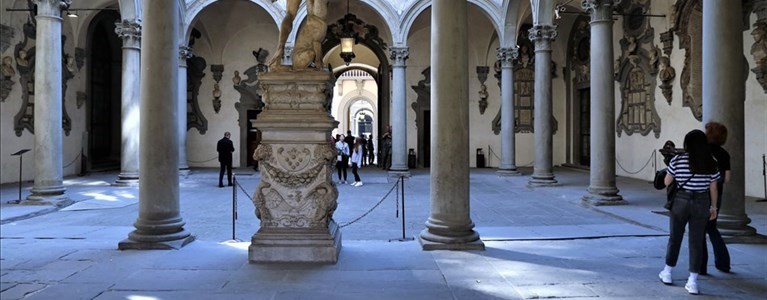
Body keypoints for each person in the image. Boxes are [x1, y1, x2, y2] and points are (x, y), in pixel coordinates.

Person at [659, 129, 720, 295]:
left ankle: (668, 272)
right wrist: (713, 207)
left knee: (675, 237)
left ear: (687, 143)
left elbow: (667, 181)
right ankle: (692, 281)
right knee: (697, 241)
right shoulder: (711, 161)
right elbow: (713, 187)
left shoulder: (678, 159)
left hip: (681, 201)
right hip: (702, 202)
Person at [701, 122, 731, 274]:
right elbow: (727, 178)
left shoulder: (702, 151)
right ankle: (723, 263)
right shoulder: (724, 153)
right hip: (717, 195)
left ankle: (701, 267)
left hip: (701, 194)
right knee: (712, 229)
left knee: (699, 230)